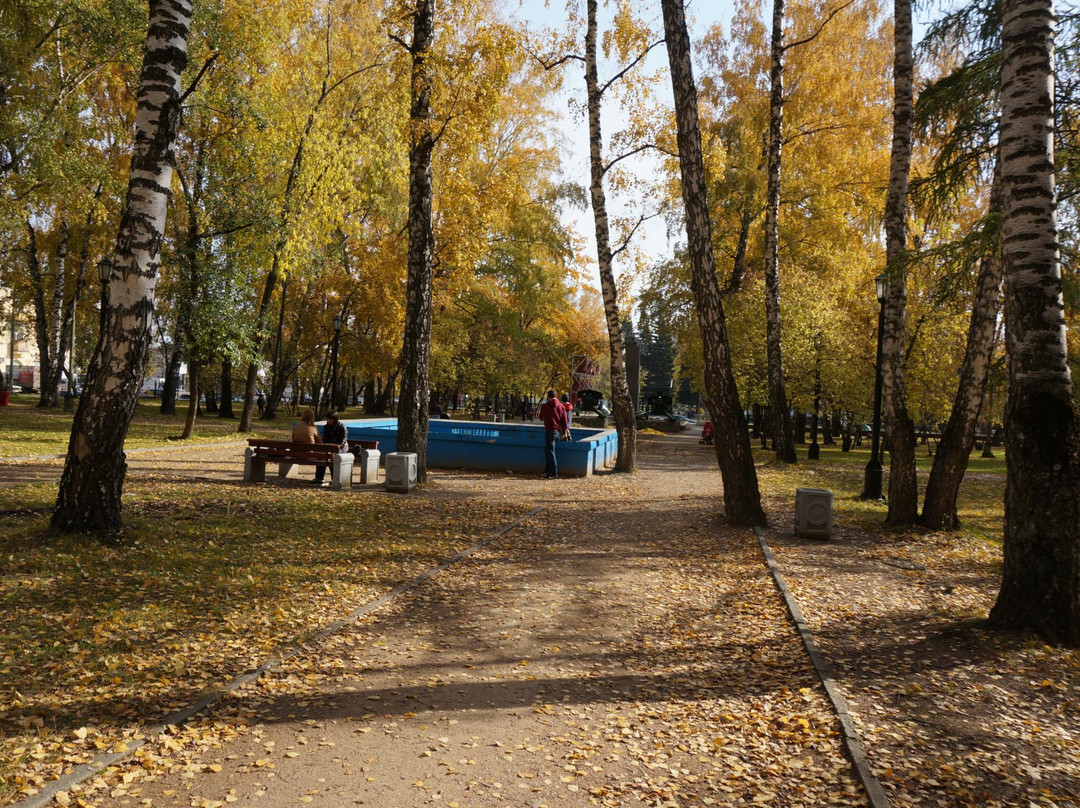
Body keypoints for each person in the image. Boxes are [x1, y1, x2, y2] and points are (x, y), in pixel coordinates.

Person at [537, 389, 569, 479]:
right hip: (557, 432)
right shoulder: (561, 406)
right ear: (556, 396)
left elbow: (540, 417)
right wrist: (565, 432)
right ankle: (547, 472)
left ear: (548, 397)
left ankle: (554, 473)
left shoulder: (546, 406)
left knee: (550, 452)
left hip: (549, 431)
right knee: (548, 451)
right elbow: (564, 420)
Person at [314, 411, 348, 485]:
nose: (328, 421)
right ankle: (319, 477)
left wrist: (336, 448)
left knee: (333, 457)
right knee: (323, 456)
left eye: (330, 419)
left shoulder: (342, 427)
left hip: (340, 448)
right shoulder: (326, 427)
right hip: (329, 447)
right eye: (328, 419)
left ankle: (334, 478)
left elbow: (343, 440)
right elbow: (325, 440)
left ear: (335, 419)